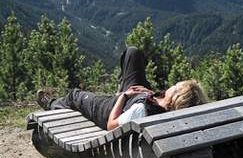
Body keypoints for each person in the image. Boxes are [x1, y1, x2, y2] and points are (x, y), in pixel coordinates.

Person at [37, 47, 207, 131]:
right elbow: (154, 104)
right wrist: (147, 93)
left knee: (75, 95)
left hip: (115, 108)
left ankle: (51, 104)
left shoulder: (141, 111)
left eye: (175, 87)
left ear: (175, 98)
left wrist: (124, 97)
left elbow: (112, 125)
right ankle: (122, 87)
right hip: (138, 96)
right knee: (133, 54)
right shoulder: (168, 108)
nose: (173, 85)